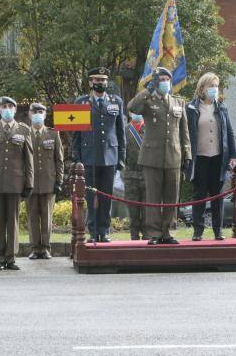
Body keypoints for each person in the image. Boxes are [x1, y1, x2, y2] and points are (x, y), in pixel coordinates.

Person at [128, 67, 191, 245]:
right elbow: (132, 107)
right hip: (152, 156)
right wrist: (148, 89)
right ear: (156, 82)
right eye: (161, 80)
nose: (165, 83)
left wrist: (187, 154)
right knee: (153, 197)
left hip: (174, 155)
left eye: (166, 79)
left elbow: (184, 131)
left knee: (172, 196)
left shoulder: (179, 102)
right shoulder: (148, 100)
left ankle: (167, 232)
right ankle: (154, 233)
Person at [0, 96, 34, 270]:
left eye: (10, 106)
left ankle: (10, 257)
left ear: (15, 110)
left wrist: (29, 183)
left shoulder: (24, 130)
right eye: (4, 106)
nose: (7, 109)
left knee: (13, 221)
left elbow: (29, 159)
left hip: (15, 182)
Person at [72, 68, 126, 243]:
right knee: (90, 196)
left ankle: (105, 230)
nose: (100, 83)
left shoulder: (116, 101)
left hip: (110, 155)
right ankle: (94, 231)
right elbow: (76, 134)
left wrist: (122, 157)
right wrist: (76, 156)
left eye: (103, 80)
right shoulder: (81, 103)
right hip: (89, 156)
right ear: (90, 82)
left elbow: (120, 131)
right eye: (96, 80)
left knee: (106, 196)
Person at [185, 72, 236, 241]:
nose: (214, 89)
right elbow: (185, 134)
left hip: (218, 157)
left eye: (216, 86)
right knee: (199, 195)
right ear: (202, 88)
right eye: (211, 86)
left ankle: (218, 230)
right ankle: (198, 232)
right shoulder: (191, 108)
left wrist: (234, 155)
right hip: (199, 157)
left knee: (218, 196)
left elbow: (230, 132)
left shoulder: (222, 107)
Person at [27, 103, 63, 260]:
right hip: (30, 183)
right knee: (33, 217)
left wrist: (59, 181)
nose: (37, 114)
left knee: (47, 218)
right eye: (34, 112)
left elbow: (59, 159)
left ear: (45, 114)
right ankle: (35, 249)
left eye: (40, 111)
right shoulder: (24, 133)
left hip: (49, 182)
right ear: (29, 114)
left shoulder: (53, 134)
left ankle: (46, 248)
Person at [124, 111, 149, 240]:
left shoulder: (150, 128)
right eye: (135, 112)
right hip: (130, 175)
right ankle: (134, 236)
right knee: (133, 210)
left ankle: (147, 236)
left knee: (147, 209)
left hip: (148, 175)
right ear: (130, 113)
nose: (138, 114)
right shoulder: (125, 130)